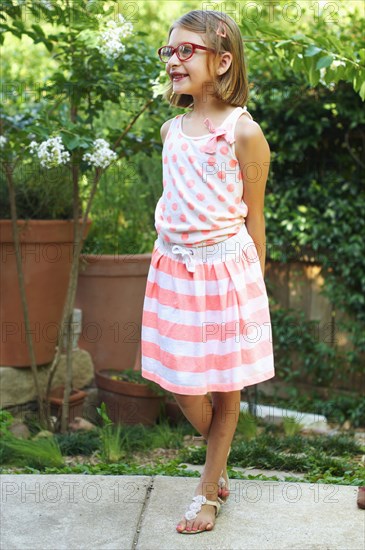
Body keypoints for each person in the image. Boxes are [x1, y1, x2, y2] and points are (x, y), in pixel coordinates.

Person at [141, 9, 275, 534]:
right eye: (169, 51)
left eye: (186, 51)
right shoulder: (171, 131)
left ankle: (208, 491)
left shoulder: (244, 133)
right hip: (174, 273)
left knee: (226, 385)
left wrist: (253, 291)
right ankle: (218, 461)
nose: (174, 60)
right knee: (181, 382)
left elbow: (255, 218)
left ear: (222, 61)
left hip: (226, 275)